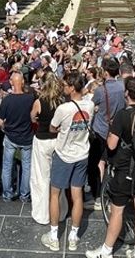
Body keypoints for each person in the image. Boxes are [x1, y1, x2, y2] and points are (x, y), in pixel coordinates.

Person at [86, 77, 135, 258]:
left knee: (117, 211)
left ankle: (106, 250)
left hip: (126, 169)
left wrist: (111, 132)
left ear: (127, 94)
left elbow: (111, 144)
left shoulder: (123, 115)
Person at [41, 72, 93, 252]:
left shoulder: (64, 109)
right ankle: (73, 236)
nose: (63, 88)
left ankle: (54, 236)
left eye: (65, 85)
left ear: (71, 88)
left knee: (54, 194)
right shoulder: (90, 105)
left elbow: (52, 127)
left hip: (64, 154)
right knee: (77, 195)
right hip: (82, 153)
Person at [88, 58, 125, 208]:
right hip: (117, 130)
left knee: (96, 164)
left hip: (101, 130)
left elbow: (92, 105)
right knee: (112, 163)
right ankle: (111, 193)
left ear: (105, 72)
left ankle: (98, 195)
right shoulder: (123, 87)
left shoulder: (100, 90)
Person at [30, 72, 63, 224]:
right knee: (57, 178)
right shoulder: (61, 101)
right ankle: (60, 212)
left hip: (42, 139)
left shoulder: (39, 101)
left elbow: (32, 116)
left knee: (41, 178)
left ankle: (42, 214)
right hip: (57, 140)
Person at [0, 70, 34, 202]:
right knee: (27, 167)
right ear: (23, 82)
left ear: (12, 82)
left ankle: (7, 193)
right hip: (26, 136)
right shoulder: (30, 98)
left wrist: (5, 128)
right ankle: (24, 194)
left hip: (11, 136)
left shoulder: (7, 100)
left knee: (7, 166)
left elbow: (0, 122)